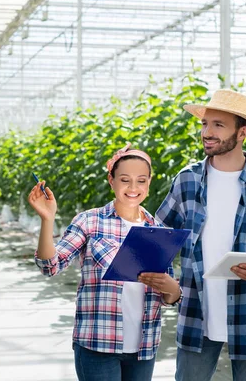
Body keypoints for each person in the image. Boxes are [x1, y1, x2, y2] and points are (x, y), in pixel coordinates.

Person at [150, 89, 246, 381]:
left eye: (218, 125)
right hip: (196, 309)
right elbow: (159, 237)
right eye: (205, 124)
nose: (207, 132)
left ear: (242, 132)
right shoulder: (187, 180)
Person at [29, 144, 181, 381]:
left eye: (141, 180)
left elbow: (166, 296)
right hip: (97, 343)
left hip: (143, 347)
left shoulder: (158, 230)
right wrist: (48, 219)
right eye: (124, 179)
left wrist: (174, 290)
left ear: (149, 182)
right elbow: (50, 266)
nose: (133, 188)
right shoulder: (90, 221)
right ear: (111, 180)